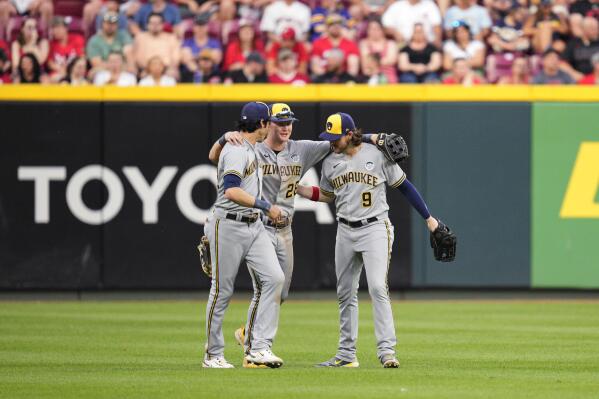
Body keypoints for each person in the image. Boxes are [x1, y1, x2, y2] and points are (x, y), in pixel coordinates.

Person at [208, 104, 391, 366]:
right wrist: (224, 137)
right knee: (265, 286)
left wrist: (374, 137)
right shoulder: (251, 147)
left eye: (289, 122)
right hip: (259, 226)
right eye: (279, 122)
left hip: (285, 230)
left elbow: (343, 139)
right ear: (266, 124)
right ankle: (255, 348)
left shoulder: (301, 149)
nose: (285, 127)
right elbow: (216, 157)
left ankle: (249, 333)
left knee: (279, 291)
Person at [296, 112, 449, 368]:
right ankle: (346, 355)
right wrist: (299, 189)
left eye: (336, 137)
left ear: (349, 134)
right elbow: (326, 194)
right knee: (345, 293)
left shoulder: (377, 154)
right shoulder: (330, 161)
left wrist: (429, 219)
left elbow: (405, 186)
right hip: (345, 230)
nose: (331, 142)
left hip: (375, 228)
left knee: (378, 287)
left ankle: (387, 351)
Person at [203, 101, 285, 369]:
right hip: (228, 224)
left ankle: (258, 348)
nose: (271, 126)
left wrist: (222, 137)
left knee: (274, 278)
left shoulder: (243, 145)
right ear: (262, 124)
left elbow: (212, 156)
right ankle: (212, 354)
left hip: (253, 226)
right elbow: (231, 191)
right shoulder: (238, 150)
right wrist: (266, 206)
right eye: (269, 122)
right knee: (222, 291)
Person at [86, 12, 134, 78]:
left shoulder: (123, 35)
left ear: (117, 25)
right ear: (102, 24)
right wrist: (117, 66)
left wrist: (126, 67)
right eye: (107, 23)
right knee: (95, 74)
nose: (110, 26)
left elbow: (130, 59)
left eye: (113, 23)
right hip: (104, 73)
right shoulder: (94, 41)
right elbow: (97, 64)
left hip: (123, 72)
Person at [133, 12, 180, 78]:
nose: (155, 26)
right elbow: (138, 57)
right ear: (147, 25)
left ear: (163, 24)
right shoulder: (140, 37)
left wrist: (169, 68)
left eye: (158, 23)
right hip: (146, 70)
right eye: (152, 23)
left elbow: (175, 58)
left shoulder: (171, 38)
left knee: (173, 73)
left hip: (166, 70)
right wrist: (148, 69)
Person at [359, 18, 399, 83]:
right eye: (372, 29)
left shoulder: (391, 43)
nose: (374, 31)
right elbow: (365, 63)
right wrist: (382, 62)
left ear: (382, 30)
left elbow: (392, 60)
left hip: (389, 76)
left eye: (377, 29)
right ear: (368, 31)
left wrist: (373, 62)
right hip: (370, 75)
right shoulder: (364, 44)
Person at [560, 16, 599, 81]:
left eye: (596, 28)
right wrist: (573, 73)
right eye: (591, 28)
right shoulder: (573, 43)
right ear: (583, 29)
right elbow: (562, 64)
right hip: (579, 80)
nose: (595, 30)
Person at [47, 16, 85, 82]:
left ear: (66, 28)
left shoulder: (77, 39)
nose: (55, 31)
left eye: (58, 28)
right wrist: (59, 68)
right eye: (53, 28)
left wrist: (71, 70)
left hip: (76, 72)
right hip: (59, 73)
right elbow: (50, 63)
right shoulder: (51, 44)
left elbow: (81, 58)